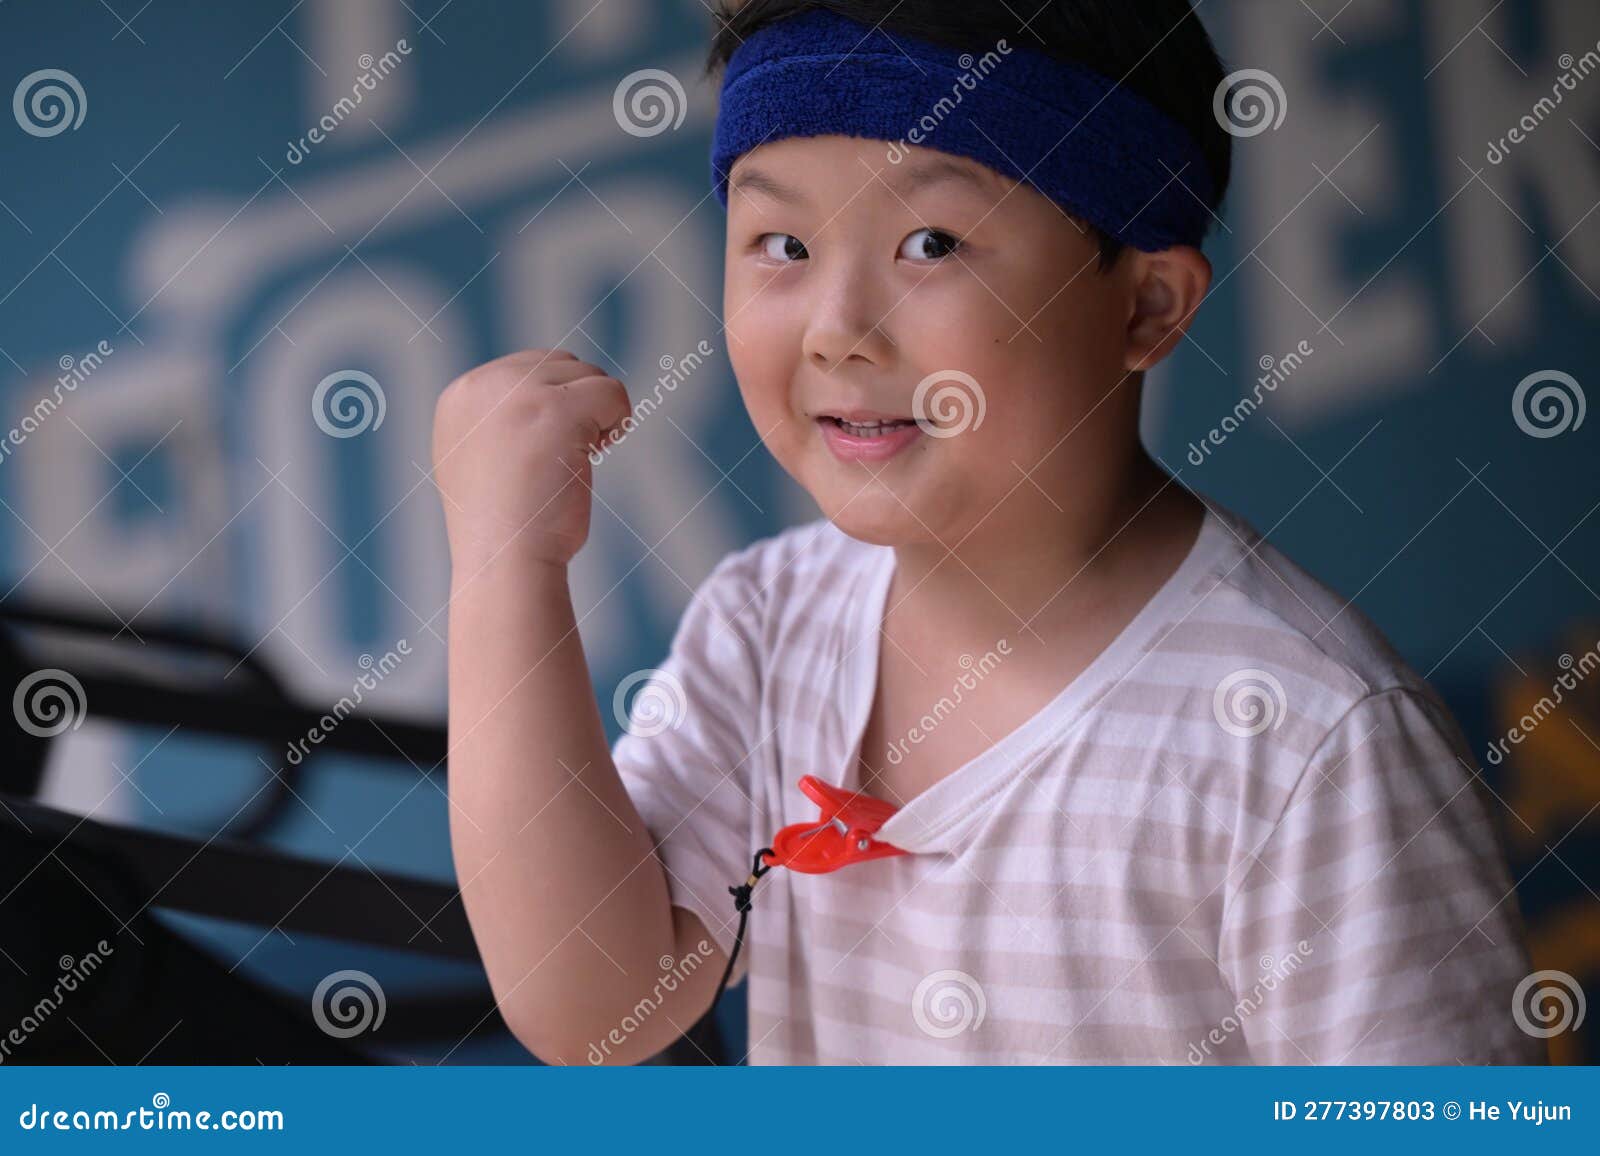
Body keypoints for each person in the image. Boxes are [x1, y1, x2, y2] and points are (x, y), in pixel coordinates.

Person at [433, 0, 1546, 1064]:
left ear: (1146, 305)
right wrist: (504, 563)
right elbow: (593, 1007)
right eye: (782, 243)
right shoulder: (767, 623)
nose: (836, 330)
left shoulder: (1306, 741)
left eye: (930, 243)